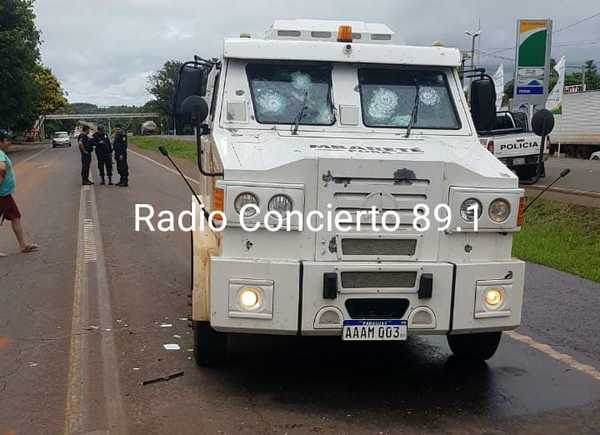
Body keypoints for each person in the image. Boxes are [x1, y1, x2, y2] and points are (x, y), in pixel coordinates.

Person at [0, 129, 38, 257]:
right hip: (1, 195)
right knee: (15, 217)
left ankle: (23, 245)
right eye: (6, 140)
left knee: (15, 217)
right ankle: (23, 245)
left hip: (5, 194)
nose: (8, 142)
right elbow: (1, 168)